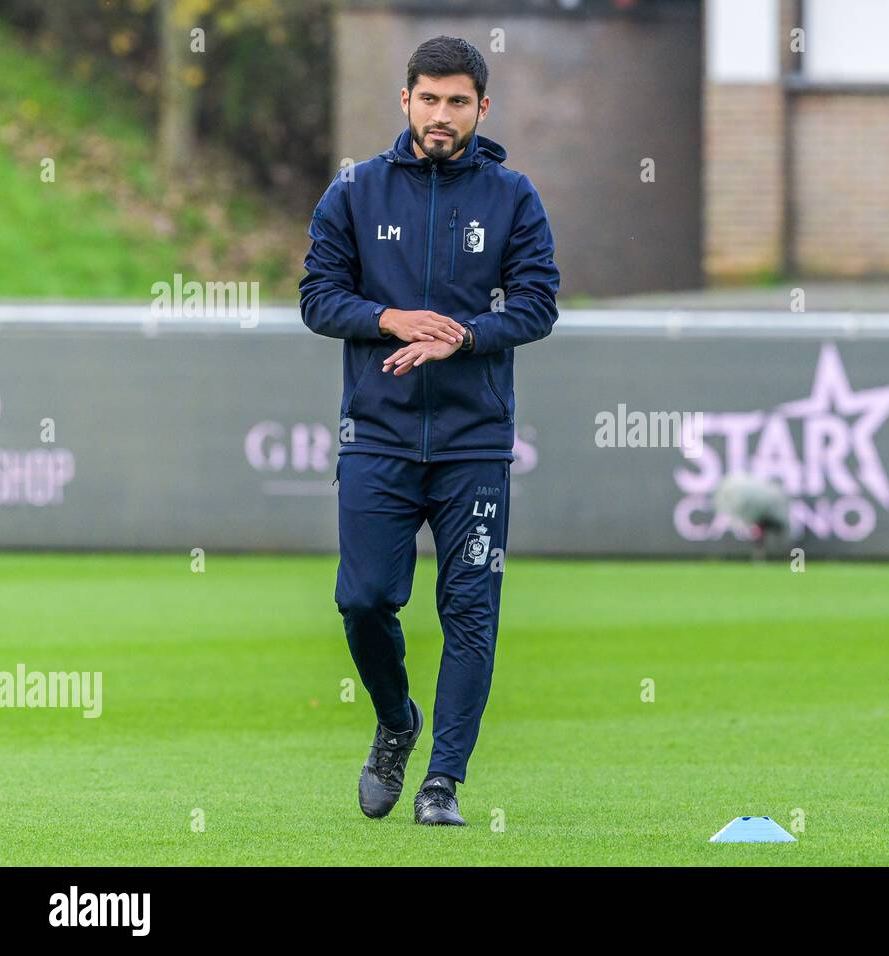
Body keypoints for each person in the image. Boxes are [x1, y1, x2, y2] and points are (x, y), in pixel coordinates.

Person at [299, 36, 560, 824]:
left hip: (473, 442)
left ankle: (443, 781)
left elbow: (538, 307)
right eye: (428, 98)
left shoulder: (513, 196)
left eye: (457, 101)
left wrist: (467, 335)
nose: (440, 115)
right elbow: (317, 298)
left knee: (470, 612)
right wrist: (387, 317)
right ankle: (395, 721)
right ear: (404, 101)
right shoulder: (354, 191)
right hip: (376, 437)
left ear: (483, 108)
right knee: (364, 600)